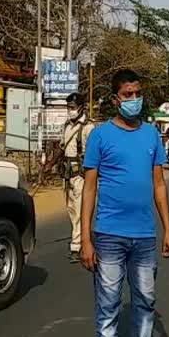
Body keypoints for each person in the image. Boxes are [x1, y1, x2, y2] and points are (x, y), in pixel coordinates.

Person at [80, 69, 169, 337]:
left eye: (137, 93)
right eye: (127, 94)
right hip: (108, 236)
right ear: (115, 99)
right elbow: (89, 189)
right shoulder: (100, 136)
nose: (133, 99)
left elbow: (159, 184)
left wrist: (168, 230)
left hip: (145, 237)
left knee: (145, 305)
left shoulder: (151, 134)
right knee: (107, 309)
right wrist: (85, 240)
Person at [60, 92, 94, 263]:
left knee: (81, 210)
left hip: (82, 175)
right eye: (68, 107)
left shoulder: (89, 128)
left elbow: (93, 154)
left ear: (81, 107)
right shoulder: (66, 125)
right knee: (72, 210)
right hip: (67, 175)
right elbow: (61, 148)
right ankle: (82, 237)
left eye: (72, 107)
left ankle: (76, 246)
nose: (70, 111)